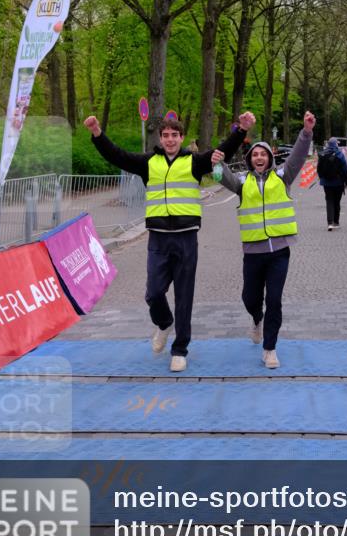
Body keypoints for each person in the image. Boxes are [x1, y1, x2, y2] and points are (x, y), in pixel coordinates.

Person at [83, 110, 256, 371]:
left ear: (182, 138)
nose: (170, 140)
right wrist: (97, 134)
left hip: (186, 239)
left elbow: (223, 151)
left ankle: (180, 349)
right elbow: (116, 155)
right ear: (160, 138)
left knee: (184, 297)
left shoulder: (195, 162)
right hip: (158, 240)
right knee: (153, 293)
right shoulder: (148, 163)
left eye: (175, 135)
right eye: (166, 135)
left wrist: (241, 129)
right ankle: (164, 323)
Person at [211, 111, 316, 369]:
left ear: (269, 158)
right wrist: (216, 161)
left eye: (263, 154)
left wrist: (306, 132)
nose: (259, 157)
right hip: (253, 253)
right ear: (250, 159)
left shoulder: (283, 177)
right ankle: (256, 319)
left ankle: (270, 348)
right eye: (255, 154)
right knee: (250, 297)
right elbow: (220, 175)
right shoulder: (242, 183)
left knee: (275, 300)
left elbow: (298, 156)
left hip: (279, 252)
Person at [317, 136, 347, 230]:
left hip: (326, 183)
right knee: (337, 202)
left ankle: (329, 223)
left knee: (329, 201)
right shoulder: (340, 154)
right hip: (338, 182)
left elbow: (319, 168)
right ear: (336, 144)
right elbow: (345, 170)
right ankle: (336, 222)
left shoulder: (323, 154)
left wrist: (321, 178)